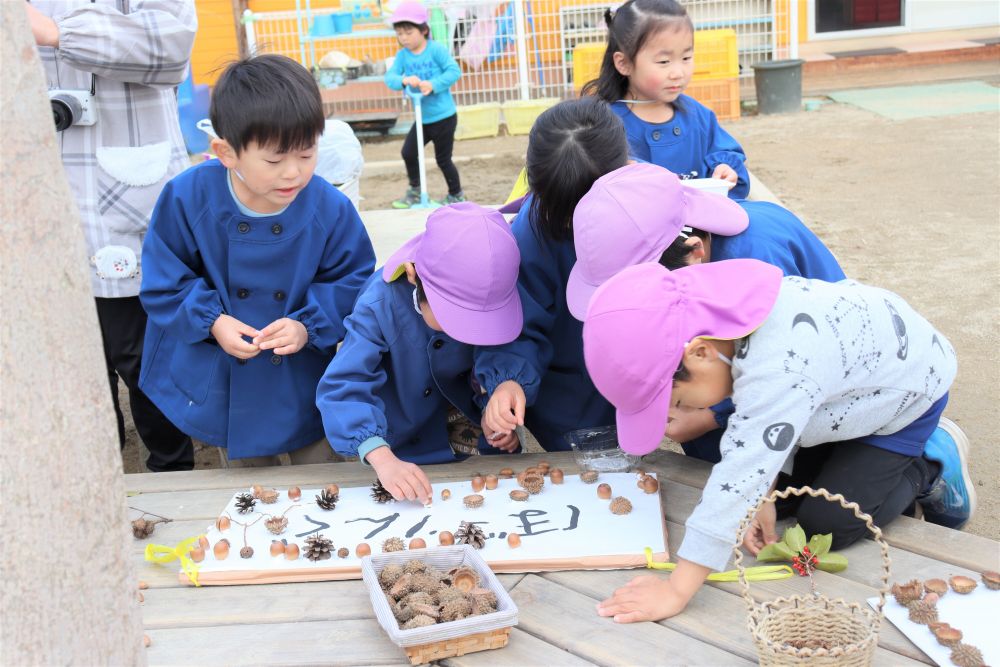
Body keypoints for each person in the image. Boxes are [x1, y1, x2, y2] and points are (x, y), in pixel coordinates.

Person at [583, 260, 974, 622]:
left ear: (700, 353)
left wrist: (675, 590)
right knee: (778, 495)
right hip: (838, 396)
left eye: (680, 401)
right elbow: (763, 431)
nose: (681, 410)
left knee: (829, 526)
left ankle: (931, 466)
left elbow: (740, 474)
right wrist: (765, 494)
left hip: (904, 401)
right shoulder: (724, 308)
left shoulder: (780, 366)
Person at [139, 54, 376, 466]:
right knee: (251, 488)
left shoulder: (330, 208)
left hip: (300, 373)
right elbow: (165, 280)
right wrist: (213, 321)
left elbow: (353, 281)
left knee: (321, 471)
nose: (293, 174)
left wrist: (309, 324)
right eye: (274, 159)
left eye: (306, 154)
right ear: (226, 152)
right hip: (224, 371)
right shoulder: (187, 198)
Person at [566, 162, 846, 461]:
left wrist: (714, 416)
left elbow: (788, 364)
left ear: (694, 250)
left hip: (823, 394)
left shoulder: (758, 259)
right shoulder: (693, 226)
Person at [28, 0, 197, 471]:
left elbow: (171, 47)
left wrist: (55, 31)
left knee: (144, 360)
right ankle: (94, 484)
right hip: (35, 206)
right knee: (68, 370)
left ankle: (173, 474)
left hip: (125, 208)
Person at [316, 203, 523, 502]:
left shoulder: (491, 284)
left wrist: (495, 407)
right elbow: (344, 387)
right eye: (456, 316)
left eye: (483, 320)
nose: (468, 330)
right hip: (403, 453)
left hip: (477, 443)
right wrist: (381, 457)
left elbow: (501, 352)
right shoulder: (379, 305)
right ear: (414, 275)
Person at [475, 97, 629, 453]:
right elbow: (515, 323)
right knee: (591, 472)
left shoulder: (647, 210)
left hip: (634, 371)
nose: (574, 225)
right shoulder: (529, 239)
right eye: (564, 217)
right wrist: (508, 381)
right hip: (571, 390)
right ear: (534, 185)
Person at [582, 0, 750, 199]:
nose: (678, 72)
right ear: (624, 63)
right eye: (664, 61)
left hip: (702, 223)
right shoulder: (602, 123)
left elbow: (725, 155)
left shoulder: (698, 116)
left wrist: (724, 169)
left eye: (686, 58)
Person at [385, 0, 464, 208]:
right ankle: (415, 190)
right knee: (408, 153)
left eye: (408, 32)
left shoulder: (436, 50)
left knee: (443, 159)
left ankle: (456, 194)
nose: (404, 38)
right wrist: (404, 80)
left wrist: (434, 84)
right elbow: (390, 78)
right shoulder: (402, 56)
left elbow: (454, 71)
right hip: (423, 118)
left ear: (424, 30)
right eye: (399, 33)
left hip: (444, 116)